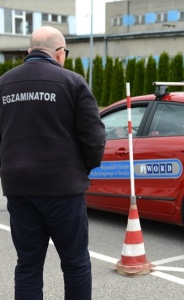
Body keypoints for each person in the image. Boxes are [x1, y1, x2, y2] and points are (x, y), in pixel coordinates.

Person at [0, 26, 106, 300]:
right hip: (63, 190)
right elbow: (94, 137)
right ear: (59, 53)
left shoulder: (4, 84)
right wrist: (84, 169)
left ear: (29, 52)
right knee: (75, 263)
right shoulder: (73, 83)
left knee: (28, 266)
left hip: (19, 189)